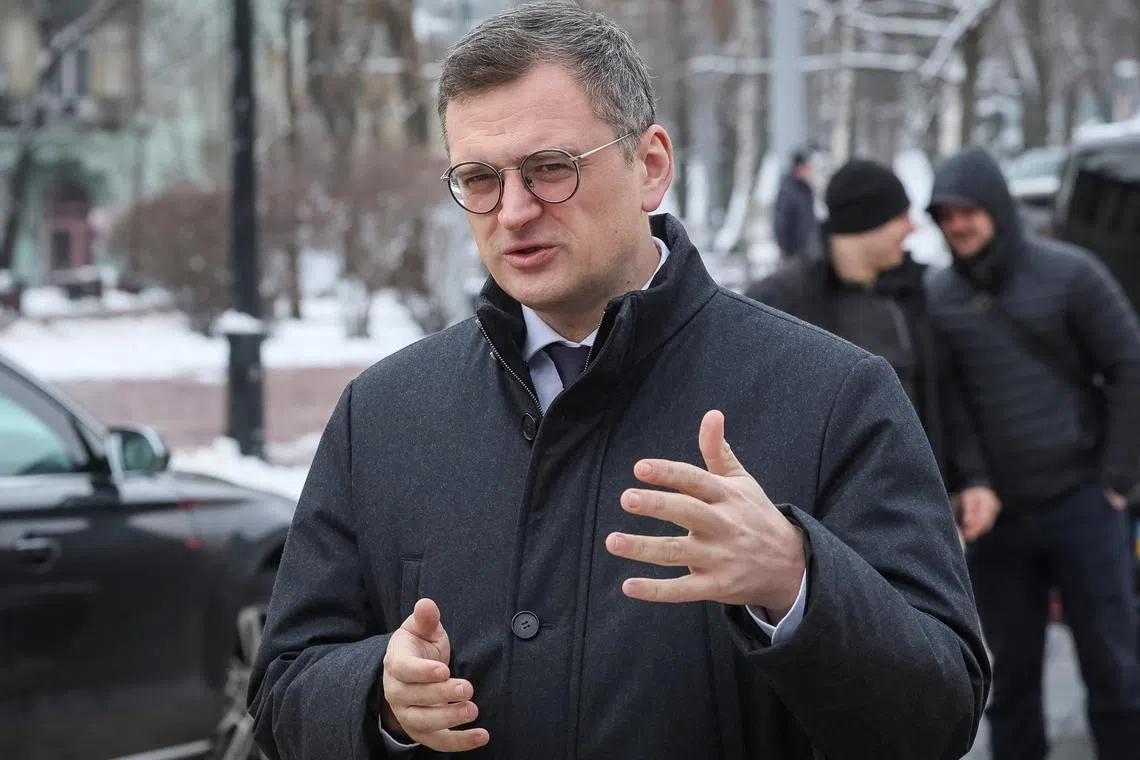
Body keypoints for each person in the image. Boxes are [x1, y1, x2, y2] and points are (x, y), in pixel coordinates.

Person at [248, 5, 989, 759]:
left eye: (550, 169)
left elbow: (938, 717)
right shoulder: (384, 412)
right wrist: (379, 695)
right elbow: (280, 694)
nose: (513, 211)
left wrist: (795, 582)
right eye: (479, 178)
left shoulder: (835, 396)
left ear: (651, 166)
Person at [925, 145, 1140, 760]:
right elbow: (950, 406)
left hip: (1084, 502)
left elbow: (1128, 365)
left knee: (1114, 667)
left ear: (996, 207)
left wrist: (1118, 478)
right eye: (945, 215)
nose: (957, 225)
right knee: (1011, 679)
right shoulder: (939, 298)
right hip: (1000, 522)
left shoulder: (1071, 274)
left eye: (967, 211)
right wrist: (971, 481)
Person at [747, 159, 1001, 540]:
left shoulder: (915, 290)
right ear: (867, 224)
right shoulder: (780, 302)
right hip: (821, 527)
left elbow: (946, 396)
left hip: (917, 514)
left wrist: (973, 478)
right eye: (900, 216)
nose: (912, 227)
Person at [772, 149, 817, 259]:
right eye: (806, 167)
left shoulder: (806, 189)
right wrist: (783, 246)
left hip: (807, 249)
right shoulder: (788, 190)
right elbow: (780, 219)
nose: (808, 171)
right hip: (792, 251)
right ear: (798, 168)